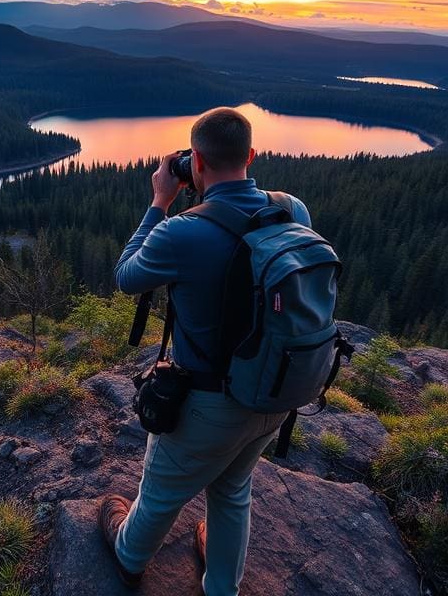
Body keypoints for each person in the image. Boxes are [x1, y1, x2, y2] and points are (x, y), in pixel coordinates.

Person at [98, 107, 311, 596]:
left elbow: (127, 275)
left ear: (194, 160)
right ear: (252, 155)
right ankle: (221, 585)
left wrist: (159, 201)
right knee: (234, 490)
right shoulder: (291, 209)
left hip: (208, 405)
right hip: (274, 393)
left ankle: (129, 556)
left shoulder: (182, 231)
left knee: (160, 493)